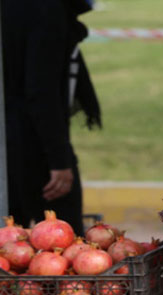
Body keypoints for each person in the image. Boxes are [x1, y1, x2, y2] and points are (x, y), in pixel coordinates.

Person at [2, 0, 101, 236]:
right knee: (65, 244)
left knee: (10, 247)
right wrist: (59, 160)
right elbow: (41, 92)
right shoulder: (47, 9)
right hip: (31, 144)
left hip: (9, 140)